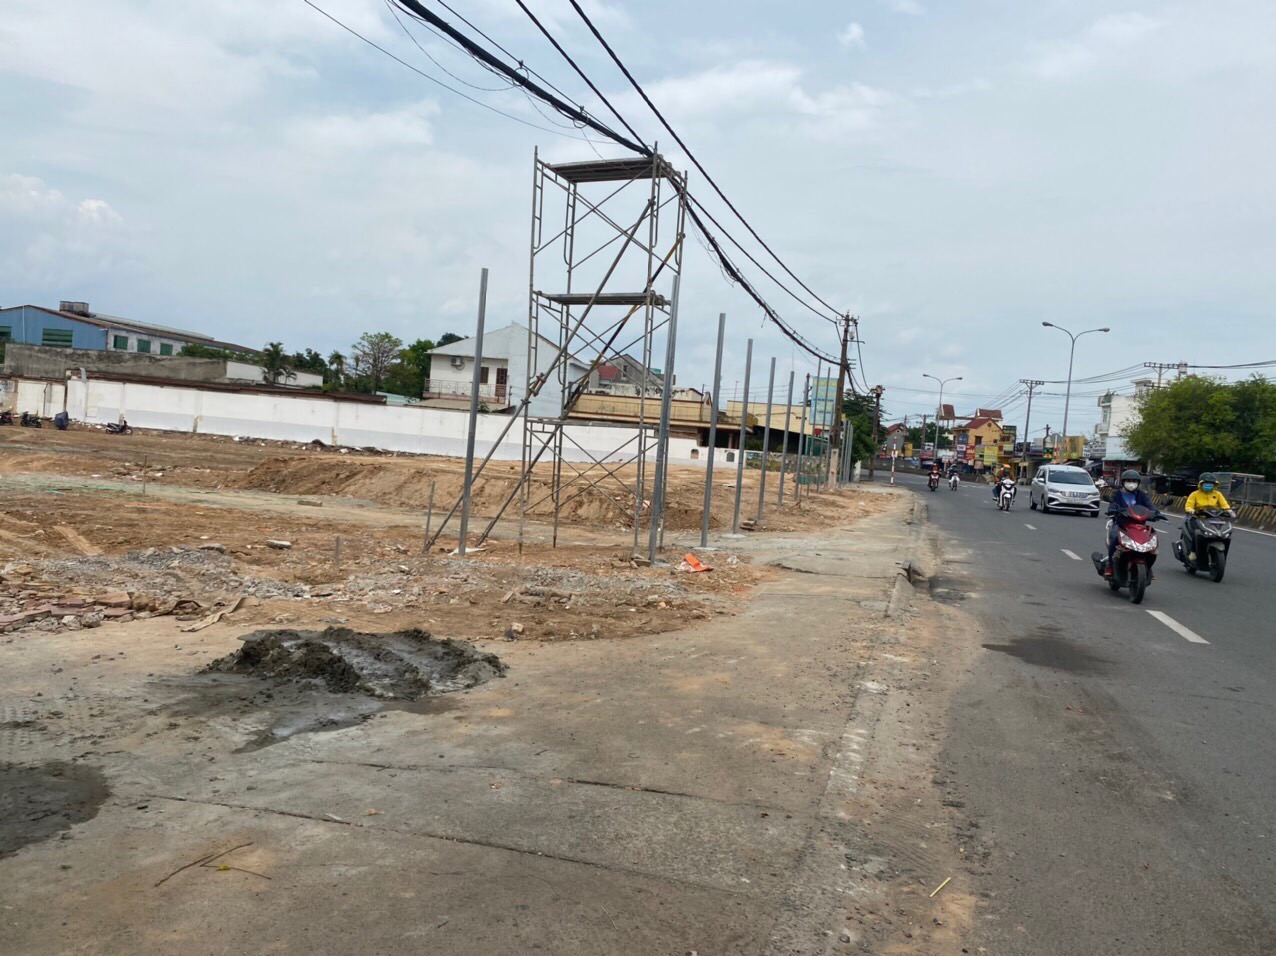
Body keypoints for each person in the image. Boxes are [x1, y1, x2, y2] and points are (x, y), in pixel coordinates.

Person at [1105, 469, 1156, 575]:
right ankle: (1110, 565)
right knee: (1114, 539)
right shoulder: (1117, 494)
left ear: (1138, 483)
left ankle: (1148, 569)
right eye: (1129, 481)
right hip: (1122, 524)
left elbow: (1150, 507)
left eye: (1134, 481)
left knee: (1151, 542)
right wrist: (1112, 510)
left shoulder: (1142, 495)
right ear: (1123, 482)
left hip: (1139, 525)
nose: (1131, 484)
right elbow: (1113, 505)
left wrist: (1156, 513)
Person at [1183, 473, 1234, 562]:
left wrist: (1229, 511)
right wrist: (1191, 510)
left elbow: (1224, 504)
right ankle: (1193, 551)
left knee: (1221, 532)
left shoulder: (1217, 494)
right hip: (1198, 517)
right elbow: (1188, 506)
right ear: (1201, 484)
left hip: (1213, 517)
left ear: (1214, 485)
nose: (1208, 486)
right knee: (1196, 532)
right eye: (1206, 484)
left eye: (1211, 484)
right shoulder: (1195, 494)